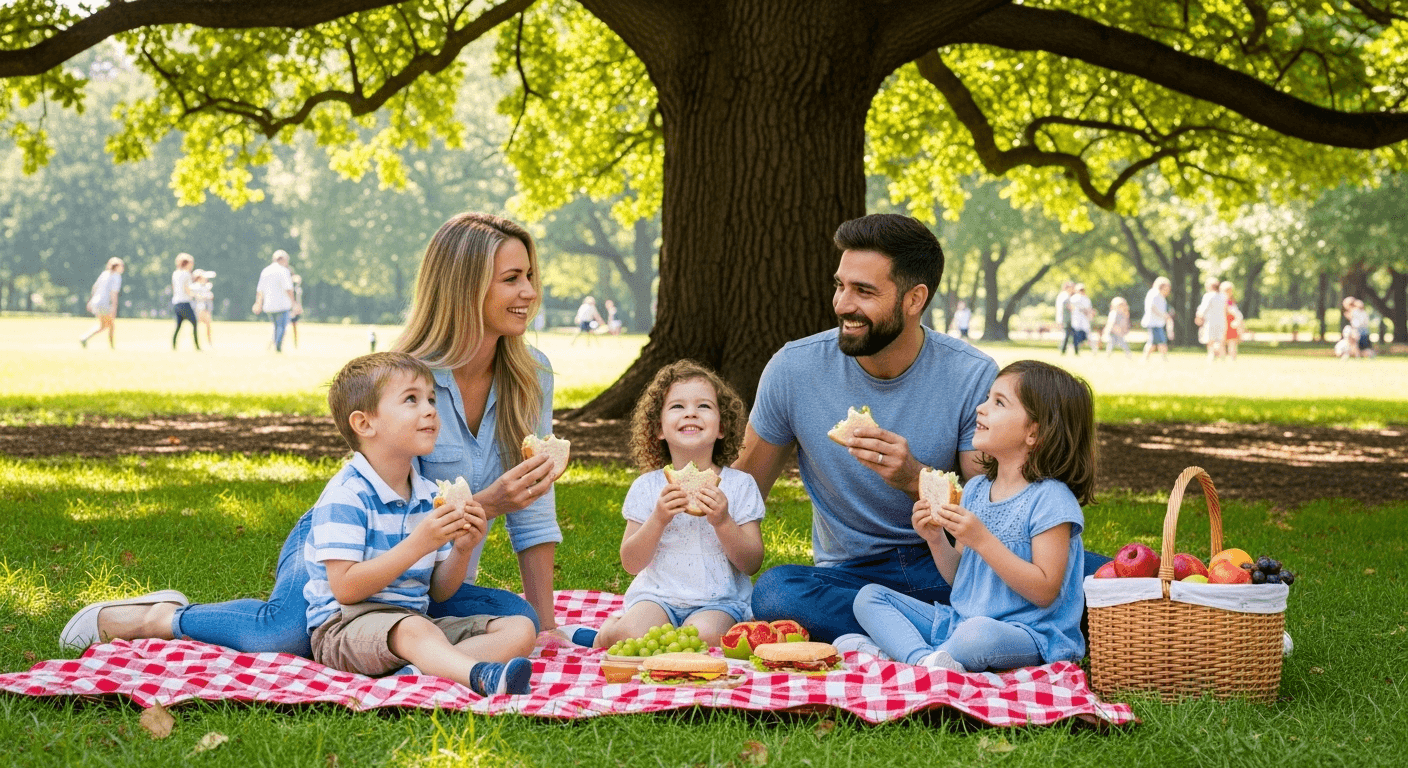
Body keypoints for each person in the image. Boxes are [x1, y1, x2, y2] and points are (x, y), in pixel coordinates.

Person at [61, 212, 563, 655]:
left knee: (517, 621)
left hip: (427, 573)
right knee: (283, 636)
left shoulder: (531, 375)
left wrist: (547, 624)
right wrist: (489, 503)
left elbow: (535, 508)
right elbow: (396, 493)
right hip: (351, 536)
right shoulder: (408, 380)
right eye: (512, 279)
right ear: (464, 286)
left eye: (530, 277)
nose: (529, 293)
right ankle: (155, 618)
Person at [735, 213, 1108, 643]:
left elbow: (998, 502)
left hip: (956, 561)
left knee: (1111, 579)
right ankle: (976, 629)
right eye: (840, 285)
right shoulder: (793, 370)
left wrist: (914, 478)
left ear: (914, 299)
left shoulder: (971, 374)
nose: (842, 304)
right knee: (778, 594)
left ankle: (924, 630)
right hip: (852, 576)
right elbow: (744, 493)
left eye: (864, 291)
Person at [302, 352, 533, 694]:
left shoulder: (428, 494)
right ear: (364, 424)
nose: (429, 410)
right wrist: (420, 542)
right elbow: (346, 588)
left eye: (430, 399)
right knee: (415, 631)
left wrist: (463, 549)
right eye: (411, 399)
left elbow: (439, 590)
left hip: (415, 624)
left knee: (521, 630)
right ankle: (482, 676)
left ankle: (416, 674)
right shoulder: (346, 495)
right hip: (345, 629)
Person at [847, 360, 1094, 672]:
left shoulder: (1051, 499)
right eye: (987, 397)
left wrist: (983, 540)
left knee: (976, 635)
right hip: (960, 623)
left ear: (1034, 433)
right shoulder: (976, 489)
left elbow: (1045, 591)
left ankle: (910, 656)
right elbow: (961, 579)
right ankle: (926, 661)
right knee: (869, 598)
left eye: (999, 402)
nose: (981, 408)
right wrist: (935, 539)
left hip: (1028, 634)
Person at [563, 360, 764, 649]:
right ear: (658, 429)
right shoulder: (647, 487)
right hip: (656, 598)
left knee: (706, 638)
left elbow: (752, 562)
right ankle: (605, 633)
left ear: (722, 427)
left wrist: (723, 522)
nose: (691, 412)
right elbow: (631, 563)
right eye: (677, 406)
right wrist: (657, 519)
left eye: (704, 406)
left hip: (719, 601)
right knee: (632, 634)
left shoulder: (740, 485)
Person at [253, 249, 298, 352]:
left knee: (276, 327)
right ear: (284, 260)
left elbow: (260, 290)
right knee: (282, 327)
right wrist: (294, 303)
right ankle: (278, 347)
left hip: (269, 305)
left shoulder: (266, 271)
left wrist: (258, 303)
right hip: (282, 305)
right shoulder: (284, 271)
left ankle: (271, 346)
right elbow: (288, 289)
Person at [80, 257, 124, 349]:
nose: (123, 268)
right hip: (105, 303)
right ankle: (112, 348)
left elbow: (95, 287)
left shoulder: (104, 274)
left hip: (96, 302)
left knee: (103, 325)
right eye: (121, 266)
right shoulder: (116, 276)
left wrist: (90, 301)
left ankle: (85, 337)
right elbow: (113, 293)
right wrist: (114, 306)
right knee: (111, 325)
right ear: (117, 267)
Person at [170, 253, 200, 351]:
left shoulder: (175, 273)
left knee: (178, 326)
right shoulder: (186, 274)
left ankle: (174, 346)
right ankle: (197, 346)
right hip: (185, 303)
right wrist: (195, 295)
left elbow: (174, 288)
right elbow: (187, 289)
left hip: (176, 303)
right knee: (194, 323)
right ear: (186, 264)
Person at [1194, 276, 1228, 362]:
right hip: (1222, 321)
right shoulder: (1223, 296)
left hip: (1211, 321)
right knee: (1220, 340)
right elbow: (1226, 309)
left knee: (1211, 340)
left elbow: (1203, 309)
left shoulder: (1208, 296)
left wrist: (1199, 317)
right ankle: (1222, 357)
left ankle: (1211, 356)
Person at [1141, 277, 1173, 362]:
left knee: (1156, 342)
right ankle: (1147, 358)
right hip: (1153, 323)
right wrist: (1163, 315)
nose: (1168, 290)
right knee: (1157, 342)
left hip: (1157, 323)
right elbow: (1152, 307)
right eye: (1167, 288)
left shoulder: (1160, 296)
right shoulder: (1154, 293)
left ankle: (1160, 358)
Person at [191, 269, 216, 347]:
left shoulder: (206, 286)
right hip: (199, 309)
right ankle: (197, 342)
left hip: (206, 309)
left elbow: (210, 296)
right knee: (197, 326)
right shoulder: (195, 286)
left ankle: (209, 342)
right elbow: (195, 295)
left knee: (208, 326)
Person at [1068, 283, 1094, 354]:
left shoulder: (1085, 299)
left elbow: (1089, 309)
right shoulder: (1074, 298)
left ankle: (1092, 350)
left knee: (1085, 335)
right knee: (1077, 335)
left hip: (1083, 320)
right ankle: (1075, 349)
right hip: (1077, 320)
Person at [1221, 281, 1243, 361]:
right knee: (1223, 342)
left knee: (1231, 342)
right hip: (1226, 322)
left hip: (1230, 322)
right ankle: (1223, 359)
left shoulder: (1229, 300)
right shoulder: (1225, 300)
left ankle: (1231, 359)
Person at [1055, 281, 1076, 354]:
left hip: (1063, 318)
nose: (1074, 289)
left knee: (1068, 334)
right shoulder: (1065, 295)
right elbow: (1067, 306)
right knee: (1068, 334)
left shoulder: (1062, 295)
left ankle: (1065, 349)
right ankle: (1063, 349)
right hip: (1066, 319)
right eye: (1072, 287)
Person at [289, 273, 305, 348]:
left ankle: (295, 343)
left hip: (295, 310)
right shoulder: (293, 290)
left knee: (294, 327)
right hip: (292, 310)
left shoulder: (297, 290)